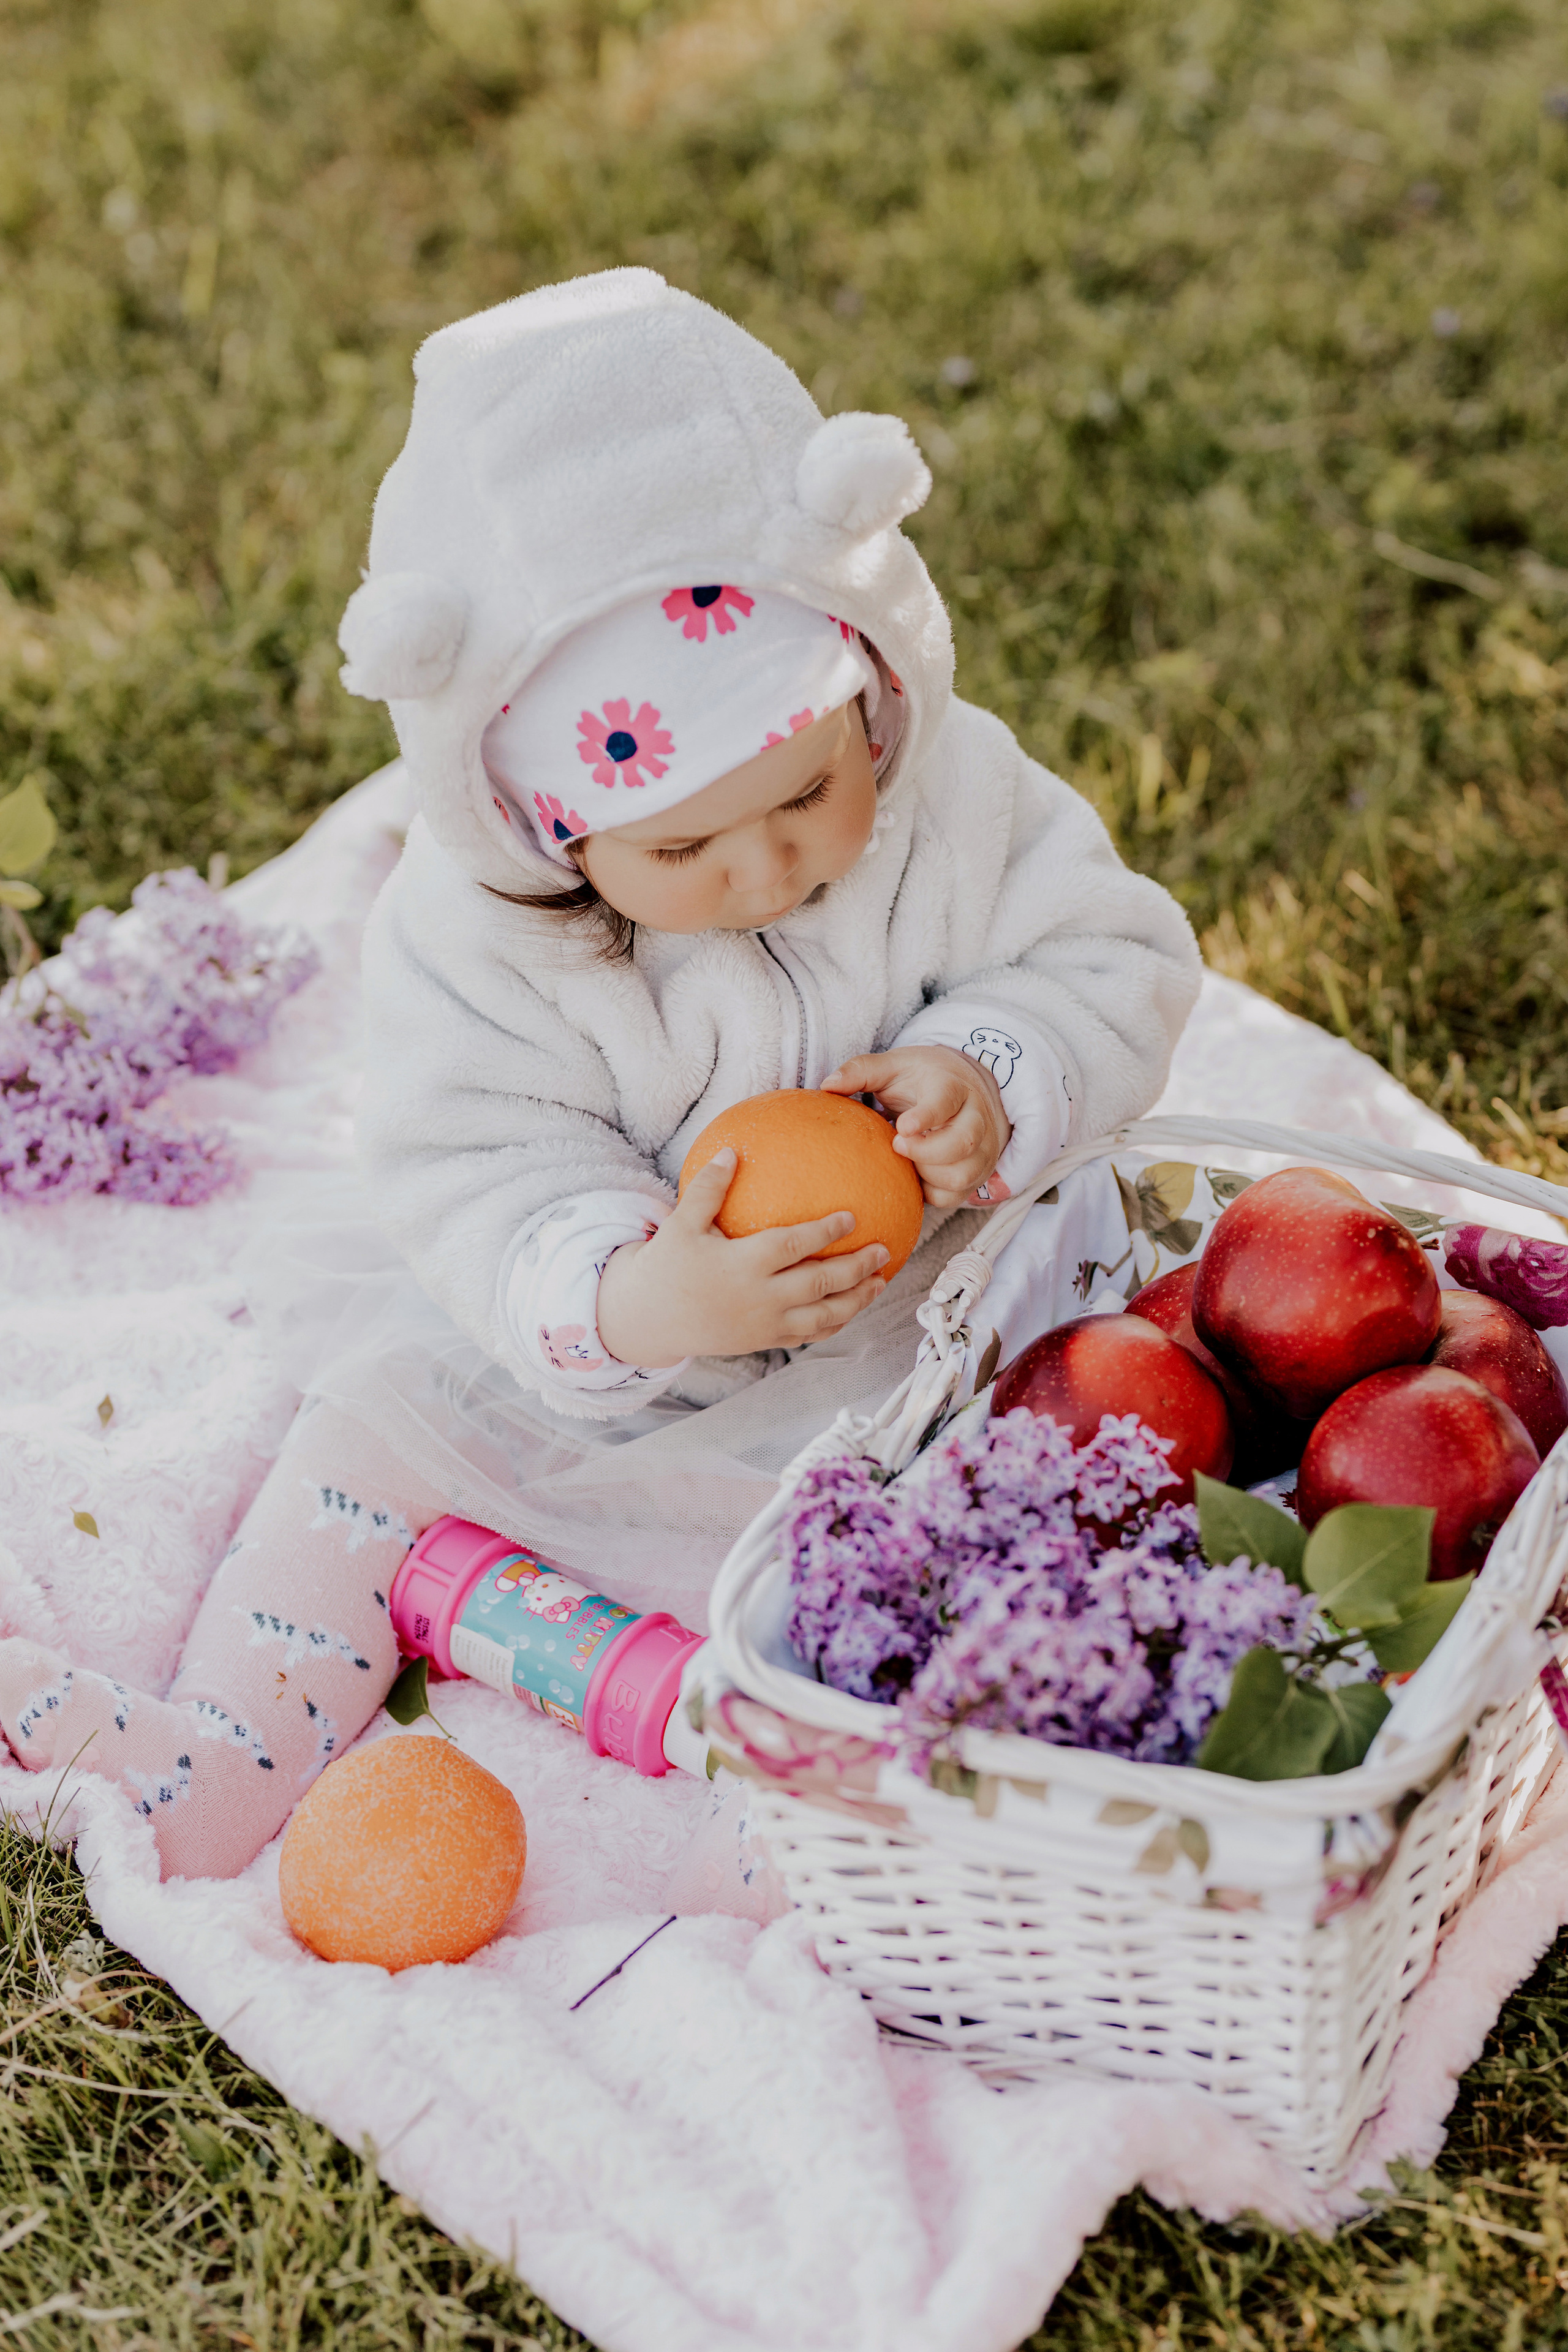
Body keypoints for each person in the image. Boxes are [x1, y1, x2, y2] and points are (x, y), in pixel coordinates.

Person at [0, 270, 1200, 1879]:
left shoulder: (962, 799)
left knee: (1058, 1503)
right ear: (548, 824)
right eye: (685, 844)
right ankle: (221, 1748)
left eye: (811, 791)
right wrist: (637, 1302)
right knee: (371, 1431)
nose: (769, 867)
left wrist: (992, 1064)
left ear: (873, 695)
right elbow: (472, 1162)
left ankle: (836, 1782)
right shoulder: (481, 944)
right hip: (615, 1357)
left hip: (941, 1323)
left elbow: (1115, 955)